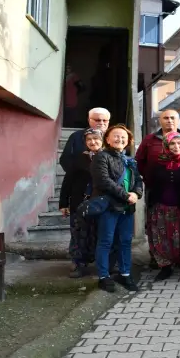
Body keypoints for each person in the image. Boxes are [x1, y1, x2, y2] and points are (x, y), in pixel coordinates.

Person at [136, 109, 180, 269]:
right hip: (158, 191)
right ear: (160, 120)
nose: (169, 120)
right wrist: (153, 179)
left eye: (173, 118)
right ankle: (161, 262)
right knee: (160, 229)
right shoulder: (149, 140)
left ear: (178, 121)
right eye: (165, 118)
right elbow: (140, 163)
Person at [91, 125, 143, 293]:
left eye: (123, 137)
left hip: (127, 208)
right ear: (107, 139)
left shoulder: (130, 160)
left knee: (125, 241)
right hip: (109, 206)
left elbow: (138, 181)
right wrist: (126, 195)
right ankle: (103, 276)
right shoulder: (101, 157)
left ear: (128, 141)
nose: (120, 139)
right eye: (116, 136)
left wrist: (136, 193)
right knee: (105, 241)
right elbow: (104, 181)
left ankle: (125, 273)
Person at [147, 132, 180, 282]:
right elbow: (151, 183)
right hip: (161, 207)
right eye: (172, 143)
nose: (176, 146)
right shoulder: (157, 163)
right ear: (166, 145)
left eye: (179, 143)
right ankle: (165, 267)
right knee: (162, 238)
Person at [59, 128, 103, 278]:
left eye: (96, 138)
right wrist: (63, 203)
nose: (93, 142)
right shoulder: (78, 158)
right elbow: (68, 180)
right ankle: (78, 263)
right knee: (78, 233)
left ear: (102, 140)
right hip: (79, 201)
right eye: (89, 139)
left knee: (99, 233)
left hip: (100, 202)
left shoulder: (107, 157)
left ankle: (103, 264)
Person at [60, 107, 110, 173]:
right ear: (89, 120)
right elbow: (65, 160)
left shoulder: (112, 137)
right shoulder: (76, 136)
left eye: (105, 120)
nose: (101, 123)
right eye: (97, 120)